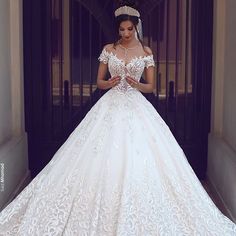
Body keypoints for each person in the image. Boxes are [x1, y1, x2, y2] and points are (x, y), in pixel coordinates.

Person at [0, 2, 236, 236]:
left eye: (129, 29)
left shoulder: (146, 52)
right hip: (110, 104)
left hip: (136, 105)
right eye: (121, 29)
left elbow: (152, 87)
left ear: (136, 28)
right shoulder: (108, 49)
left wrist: (138, 83)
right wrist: (109, 83)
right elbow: (99, 82)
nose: (124, 33)